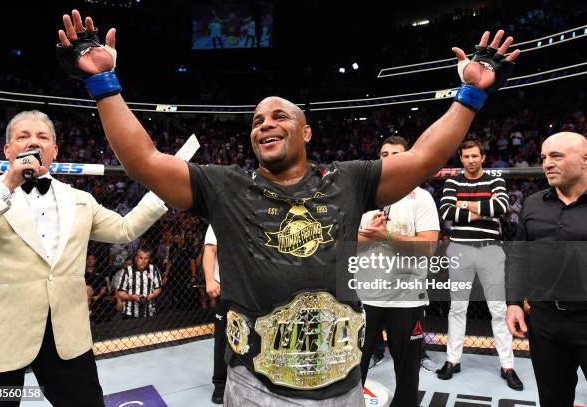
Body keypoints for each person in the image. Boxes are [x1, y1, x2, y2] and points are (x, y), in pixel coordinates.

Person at [56, 10, 519, 404]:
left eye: (280, 116)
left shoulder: (348, 179)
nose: (265, 125)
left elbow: (422, 159)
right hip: (255, 381)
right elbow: (143, 161)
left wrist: (470, 95)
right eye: (257, 121)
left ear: (306, 132)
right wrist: (103, 82)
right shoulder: (226, 185)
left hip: (340, 380)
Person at [0, 110, 168, 406]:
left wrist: (164, 188)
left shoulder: (79, 199)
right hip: (0, 337)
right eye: (23, 136)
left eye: (42, 137)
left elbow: (124, 227)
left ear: (55, 150)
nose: (33, 142)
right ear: (7, 149)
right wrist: (8, 186)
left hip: (66, 334)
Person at [357, 136, 440, 406]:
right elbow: (341, 244)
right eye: (384, 153)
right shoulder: (361, 196)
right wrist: (371, 237)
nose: (389, 159)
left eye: (396, 153)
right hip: (364, 297)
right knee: (351, 368)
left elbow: (428, 246)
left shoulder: (422, 197)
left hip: (406, 298)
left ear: (407, 159)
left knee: (407, 373)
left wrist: (388, 236)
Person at [506, 132, 587, 406]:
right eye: (543, 158)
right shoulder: (533, 203)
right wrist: (514, 303)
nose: (547, 164)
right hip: (545, 321)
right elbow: (519, 257)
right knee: (553, 399)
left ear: (585, 160)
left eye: (556, 156)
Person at [437, 140, 523, 390]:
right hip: (460, 250)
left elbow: (501, 207)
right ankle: (453, 360)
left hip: (490, 249)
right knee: (457, 308)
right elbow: (445, 211)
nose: (471, 160)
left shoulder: (496, 180)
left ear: (483, 157)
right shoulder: (453, 181)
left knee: (498, 309)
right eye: (466, 156)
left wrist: (463, 206)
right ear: (461, 159)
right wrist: (483, 209)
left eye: (475, 155)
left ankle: (508, 365)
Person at [202, 225, 227, 404]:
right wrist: (210, 280)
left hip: (250, 286)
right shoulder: (220, 215)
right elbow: (210, 249)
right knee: (222, 337)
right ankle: (220, 383)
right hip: (225, 286)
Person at [117, 248, 163, 318]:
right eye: (141, 258)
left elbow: (158, 288)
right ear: (136, 258)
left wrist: (152, 295)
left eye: (146, 258)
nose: (143, 261)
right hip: (130, 313)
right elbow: (120, 292)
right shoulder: (127, 271)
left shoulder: (153, 269)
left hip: (149, 311)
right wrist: (132, 297)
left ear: (149, 259)